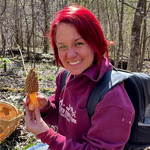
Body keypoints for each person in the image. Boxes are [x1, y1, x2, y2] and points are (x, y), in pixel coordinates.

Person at [23, 5, 135, 150]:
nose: (70, 55)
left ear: (95, 43)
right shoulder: (65, 77)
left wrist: (47, 135)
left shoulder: (112, 98)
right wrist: (46, 108)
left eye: (78, 43)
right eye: (62, 46)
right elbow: (63, 118)